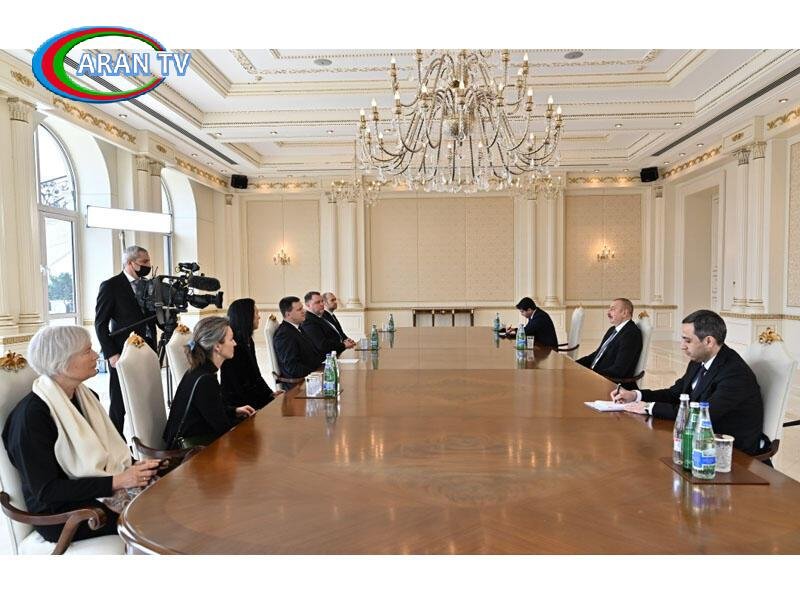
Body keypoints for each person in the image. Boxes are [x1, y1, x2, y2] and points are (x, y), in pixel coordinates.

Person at [2, 326, 160, 543]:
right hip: (63, 515)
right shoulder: (31, 418)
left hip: (95, 494)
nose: (96, 355)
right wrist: (118, 481)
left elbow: (106, 451)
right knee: (160, 516)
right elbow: (47, 491)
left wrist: (136, 468)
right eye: (87, 351)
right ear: (61, 362)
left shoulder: (87, 397)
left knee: (170, 494)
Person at [612, 309, 764, 455]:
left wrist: (648, 407)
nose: (682, 346)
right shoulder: (699, 360)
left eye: (688, 340)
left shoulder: (735, 373)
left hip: (728, 451)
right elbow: (675, 394)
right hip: (697, 438)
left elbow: (703, 415)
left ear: (709, 341)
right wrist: (636, 395)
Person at [163, 316, 256, 449]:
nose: (235, 343)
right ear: (217, 346)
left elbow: (211, 410)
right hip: (190, 454)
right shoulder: (206, 379)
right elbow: (223, 428)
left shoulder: (199, 370)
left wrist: (234, 411)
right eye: (231, 339)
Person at [95, 245, 157, 436]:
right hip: (122, 351)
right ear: (130, 263)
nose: (148, 265)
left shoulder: (150, 285)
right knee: (119, 400)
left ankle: (149, 436)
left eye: (149, 261)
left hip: (149, 348)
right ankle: (116, 439)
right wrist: (111, 354)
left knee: (148, 394)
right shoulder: (111, 286)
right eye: (144, 262)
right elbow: (100, 324)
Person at [221, 298, 281, 409]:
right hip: (240, 406)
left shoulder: (248, 340)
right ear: (246, 316)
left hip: (252, 400)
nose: (259, 317)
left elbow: (256, 376)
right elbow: (238, 387)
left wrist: (270, 394)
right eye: (256, 313)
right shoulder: (233, 345)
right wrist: (266, 402)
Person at [577, 298, 642, 381]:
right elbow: (597, 354)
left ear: (624, 313)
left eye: (613, 309)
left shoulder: (631, 334)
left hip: (609, 382)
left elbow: (619, 370)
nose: (608, 313)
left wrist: (591, 375)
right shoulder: (612, 330)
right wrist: (574, 364)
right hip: (598, 377)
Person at [272, 296, 324, 385]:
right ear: (288, 314)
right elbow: (293, 368)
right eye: (299, 309)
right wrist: (317, 373)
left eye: (302, 308)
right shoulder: (284, 334)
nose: (304, 311)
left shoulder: (297, 327)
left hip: (313, 377)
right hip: (300, 384)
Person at [301, 291, 356, 356]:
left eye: (322, 301)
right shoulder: (308, 321)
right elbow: (322, 345)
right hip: (325, 359)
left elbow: (335, 334)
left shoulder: (320, 317)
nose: (322, 304)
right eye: (317, 302)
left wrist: (346, 341)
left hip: (336, 353)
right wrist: (344, 345)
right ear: (308, 305)